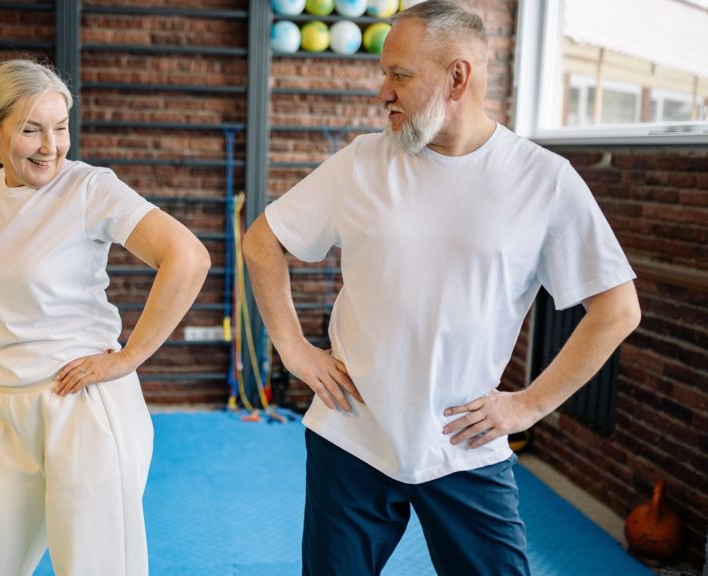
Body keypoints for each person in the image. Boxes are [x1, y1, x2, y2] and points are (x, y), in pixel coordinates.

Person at [242, 2, 641, 575]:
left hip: (465, 445)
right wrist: (294, 350)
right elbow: (263, 242)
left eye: (399, 75)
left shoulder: (542, 179)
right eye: (384, 73)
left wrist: (529, 405)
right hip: (353, 432)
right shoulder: (362, 161)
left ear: (458, 77)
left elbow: (617, 308)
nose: (383, 91)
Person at [0, 58, 210, 576]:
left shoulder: (90, 187)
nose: (51, 146)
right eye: (32, 130)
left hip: (86, 412)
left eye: (60, 127)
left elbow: (187, 257)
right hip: (10, 411)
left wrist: (129, 358)